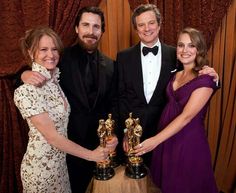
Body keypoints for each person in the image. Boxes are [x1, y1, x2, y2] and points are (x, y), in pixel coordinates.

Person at [20, 7, 118, 193]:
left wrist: (113, 135)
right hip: (67, 151)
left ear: (102, 31)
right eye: (86, 25)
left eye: (96, 26)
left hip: (99, 147)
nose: (91, 31)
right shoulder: (58, 60)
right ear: (76, 28)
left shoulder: (112, 65)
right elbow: (30, 79)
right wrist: (24, 74)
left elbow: (112, 105)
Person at [116, 3, 219, 167]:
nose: (147, 28)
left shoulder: (176, 54)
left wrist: (215, 78)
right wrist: (126, 132)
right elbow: (120, 98)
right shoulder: (123, 57)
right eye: (141, 24)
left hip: (167, 132)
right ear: (136, 29)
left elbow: (194, 81)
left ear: (159, 24)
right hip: (134, 133)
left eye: (151, 23)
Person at [134, 27, 218, 193]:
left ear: (199, 49)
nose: (185, 50)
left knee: (185, 185)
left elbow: (186, 117)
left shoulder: (206, 78)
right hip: (167, 138)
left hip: (188, 142)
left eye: (191, 45)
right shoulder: (175, 74)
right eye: (181, 45)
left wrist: (155, 140)